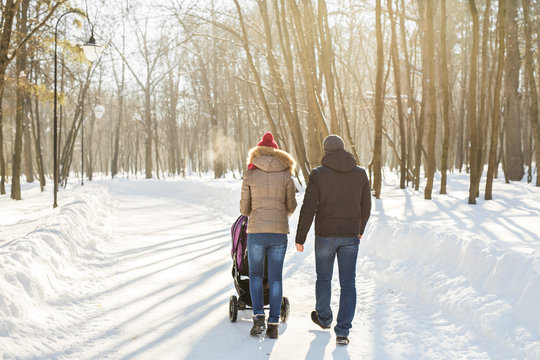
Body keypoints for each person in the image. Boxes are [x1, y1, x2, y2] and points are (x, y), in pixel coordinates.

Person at [295, 134, 371, 345]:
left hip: (325, 235)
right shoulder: (360, 173)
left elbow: (309, 207)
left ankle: (325, 318)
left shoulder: (318, 174)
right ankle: (343, 330)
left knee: (324, 278)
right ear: (344, 149)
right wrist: (359, 229)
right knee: (348, 282)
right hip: (350, 236)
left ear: (325, 151)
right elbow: (366, 206)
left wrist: (300, 237)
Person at [240, 132, 297, 339]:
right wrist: (282, 215)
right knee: (275, 277)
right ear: (276, 151)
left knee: (255, 275)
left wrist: (254, 212)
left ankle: (258, 318)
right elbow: (291, 205)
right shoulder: (285, 173)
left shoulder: (250, 173)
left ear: (258, 151)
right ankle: (273, 323)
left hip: (256, 231)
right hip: (279, 232)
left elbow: (244, 208)